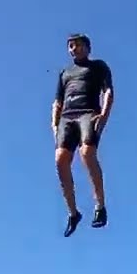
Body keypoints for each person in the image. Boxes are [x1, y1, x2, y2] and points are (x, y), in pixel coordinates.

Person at [52, 33, 114, 237]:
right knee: (61, 160)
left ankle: (100, 206)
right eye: (70, 46)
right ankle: (73, 212)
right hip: (67, 118)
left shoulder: (98, 66)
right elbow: (58, 101)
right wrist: (54, 122)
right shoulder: (65, 73)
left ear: (87, 47)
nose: (73, 49)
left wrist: (104, 114)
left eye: (77, 45)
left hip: (89, 113)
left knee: (87, 153)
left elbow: (108, 91)